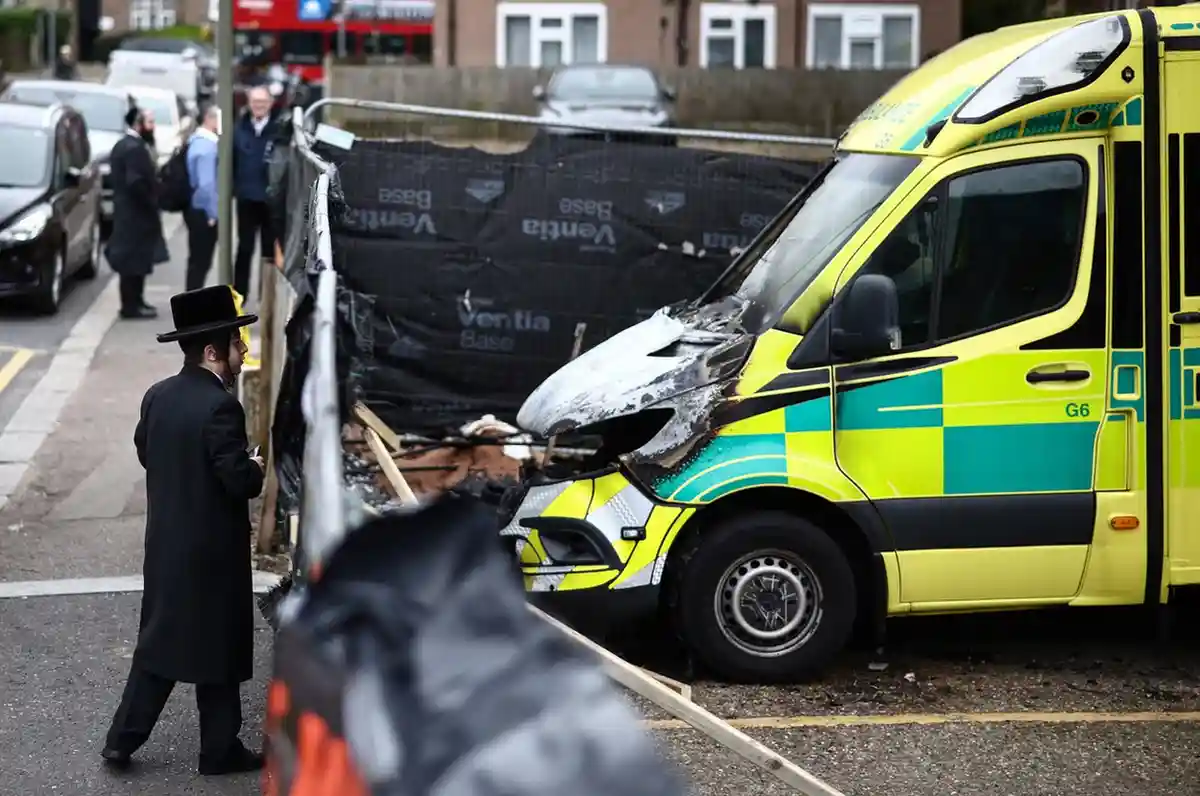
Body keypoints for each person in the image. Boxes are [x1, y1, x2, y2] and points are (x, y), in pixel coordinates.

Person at [102, 285, 266, 776]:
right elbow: (238, 481)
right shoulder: (221, 407)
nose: (243, 352)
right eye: (236, 344)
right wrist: (255, 466)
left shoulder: (158, 396)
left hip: (166, 545)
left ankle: (122, 740)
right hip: (213, 553)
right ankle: (218, 750)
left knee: (160, 644)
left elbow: (147, 452)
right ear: (213, 351)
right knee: (222, 649)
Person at [106, 106, 161, 320]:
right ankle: (131, 306)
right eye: (149, 122)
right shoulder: (134, 149)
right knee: (133, 261)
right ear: (138, 124)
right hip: (135, 214)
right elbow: (136, 182)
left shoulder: (124, 145)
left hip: (127, 212)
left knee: (135, 260)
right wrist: (151, 201)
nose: (153, 127)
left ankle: (136, 301)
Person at [232, 86, 280, 301]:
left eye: (263, 101)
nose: (259, 106)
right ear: (249, 103)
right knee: (244, 249)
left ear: (270, 103)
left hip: (271, 200)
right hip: (246, 198)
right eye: (255, 101)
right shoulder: (239, 129)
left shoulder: (279, 130)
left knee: (269, 252)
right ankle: (239, 296)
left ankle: (267, 299)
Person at [185, 105, 220, 291]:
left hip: (195, 208)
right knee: (201, 262)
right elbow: (206, 185)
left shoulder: (196, 141)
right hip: (203, 211)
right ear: (209, 119)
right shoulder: (207, 147)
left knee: (196, 261)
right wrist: (212, 214)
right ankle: (192, 301)